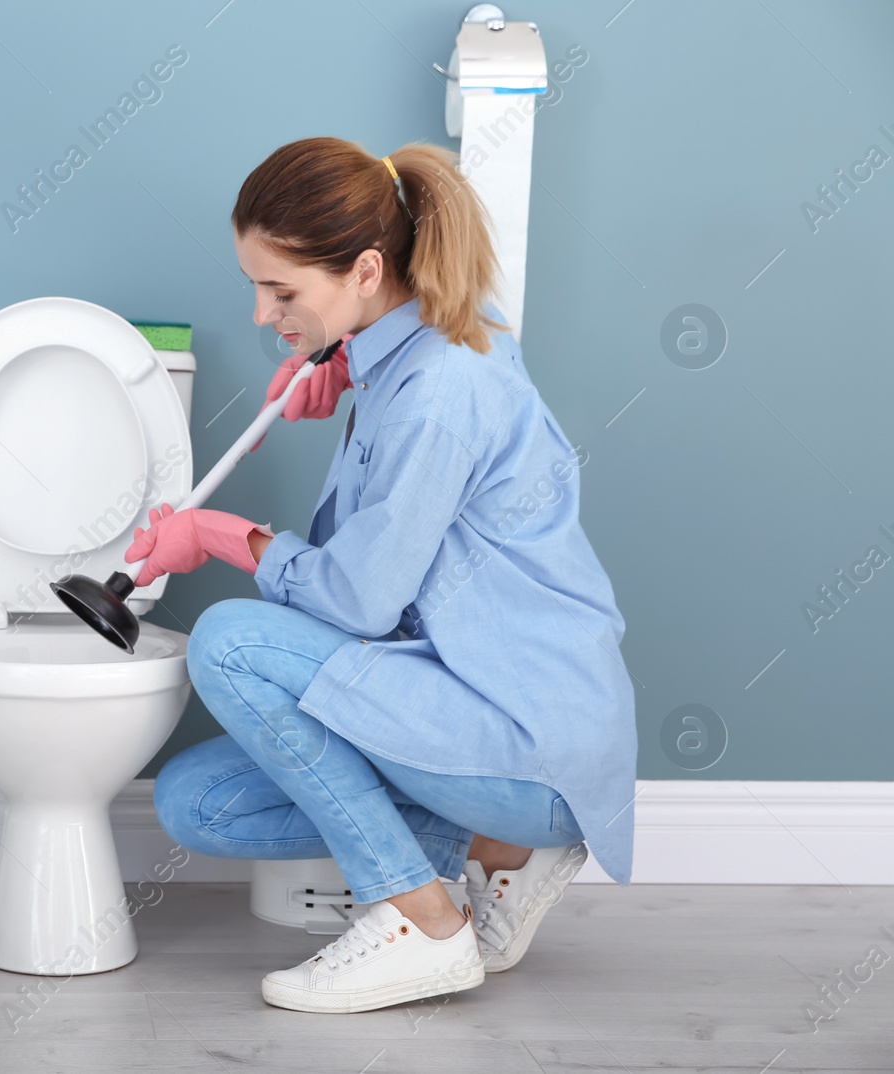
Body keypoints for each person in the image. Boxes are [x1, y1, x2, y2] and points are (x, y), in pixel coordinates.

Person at [127, 137, 636, 1014]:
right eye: (258, 285)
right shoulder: (415, 356)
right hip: (454, 699)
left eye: (282, 292)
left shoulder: (438, 395)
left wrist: (226, 536)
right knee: (195, 805)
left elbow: (360, 603)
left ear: (366, 269)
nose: (260, 314)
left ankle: (419, 922)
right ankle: (494, 852)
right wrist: (341, 363)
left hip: (529, 737)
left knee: (231, 641)